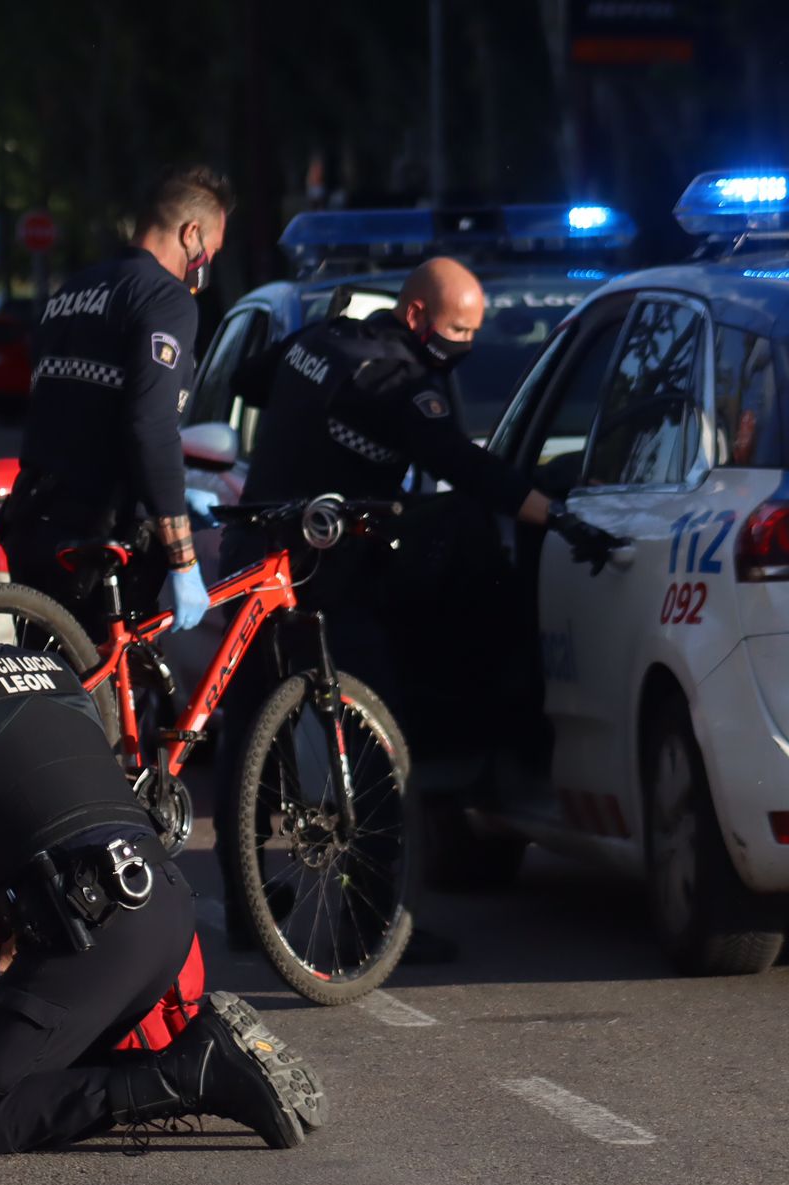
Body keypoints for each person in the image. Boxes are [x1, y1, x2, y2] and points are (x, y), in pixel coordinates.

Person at [0, 554, 327, 1157]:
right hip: (164, 909)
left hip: (93, 935)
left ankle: (191, 1073)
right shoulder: (52, 669)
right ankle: (190, 1061)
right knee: (38, 1081)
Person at [216, 257, 618, 957]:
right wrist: (554, 517)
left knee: (247, 728)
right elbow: (468, 467)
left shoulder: (321, 340)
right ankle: (373, 924)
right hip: (327, 576)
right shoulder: (398, 383)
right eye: (458, 331)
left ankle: (247, 911)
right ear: (414, 318)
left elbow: (248, 382)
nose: (464, 346)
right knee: (376, 739)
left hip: (255, 552)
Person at [0, 164, 234, 637]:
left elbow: (69, 409)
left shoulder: (72, 290)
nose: (206, 263)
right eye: (210, 251)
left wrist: (166, 491)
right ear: (191, 235)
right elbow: (150, 425)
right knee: (101, 698)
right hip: (97, 539)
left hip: (32, 521)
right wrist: (183, 558)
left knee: (47, 683)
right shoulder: (167, 299)